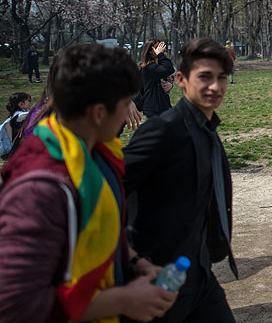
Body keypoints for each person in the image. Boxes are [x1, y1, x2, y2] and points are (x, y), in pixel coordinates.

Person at [0, 44, 177, 322]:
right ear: (98, 113)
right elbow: (17, 306)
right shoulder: (39, 187)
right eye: (125, 105)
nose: (130, 115)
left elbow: (98, 232)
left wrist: (135, 262)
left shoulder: (98, 156)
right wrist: (121, 300)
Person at [124, 38, 237, 322]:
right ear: (181, 80)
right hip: (160, 275)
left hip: (197, 272)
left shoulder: (206, 128)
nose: (215, 87)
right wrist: (133, 259)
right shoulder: (163, 131)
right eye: (204, 77)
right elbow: (105, 190)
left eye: (221, 78)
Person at [138, 38, 175, 118]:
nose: (163, 53)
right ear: (151, 51)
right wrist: (160, 55)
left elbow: (167, 75)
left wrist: (170, 84)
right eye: (160, 50)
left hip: (162, 106)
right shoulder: (149, 67)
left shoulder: (157, 65)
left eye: (164, 51)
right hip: (154, 108)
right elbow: (168, 69)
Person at [1, 92, 31, 157]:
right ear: (21, 104)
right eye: (28, 100)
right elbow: (33, 113)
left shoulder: (14, 115)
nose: (29, 103)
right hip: (14, 151)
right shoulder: (18, 115)